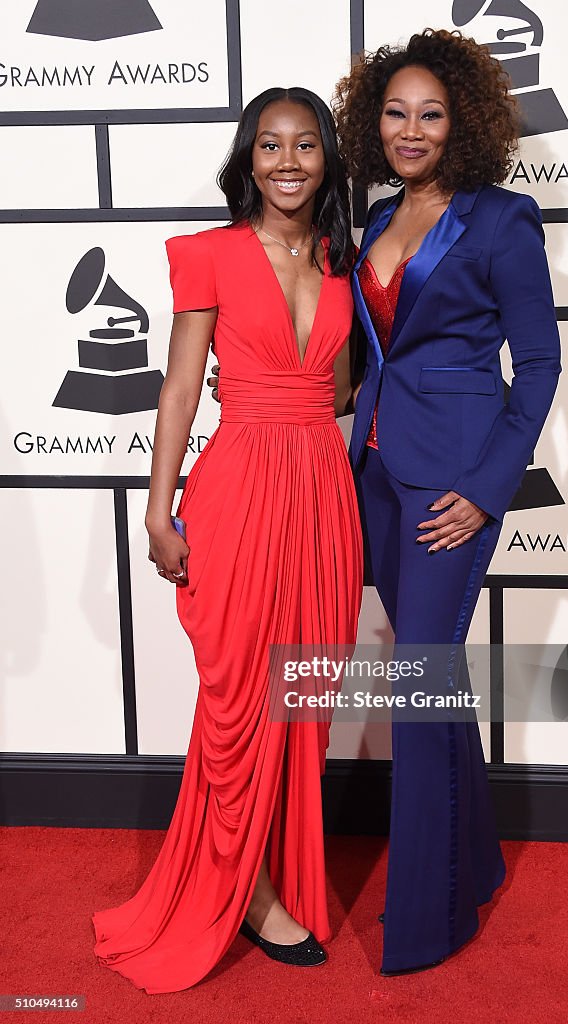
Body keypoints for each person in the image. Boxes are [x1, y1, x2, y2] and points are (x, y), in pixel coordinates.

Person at [206, 27, 561, 978]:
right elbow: (353, 354)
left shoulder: (501, 220)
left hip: (452, 486)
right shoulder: (370, 218)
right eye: (395, 113)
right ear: (374, 124)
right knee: (433, 683)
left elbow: (539, 368)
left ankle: (429, 916)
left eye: (431, 114)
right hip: (366, 472)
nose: (411, 130)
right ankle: (476, 857)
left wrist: (488, 492)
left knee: (415, 686)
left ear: (464, 124)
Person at [91, 87, 363, 994]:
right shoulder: (207, 255)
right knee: (241, 692)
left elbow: (336, 392)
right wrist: (159, 506)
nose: (286, 162)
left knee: (304, 692)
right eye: (268, 146)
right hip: (240, 486)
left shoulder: (338, 259)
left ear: (327, 158)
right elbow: (177, 389)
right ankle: (241, 892)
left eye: (305, 146)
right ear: (247, 159)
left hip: (321, 490)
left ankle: (276, 868)